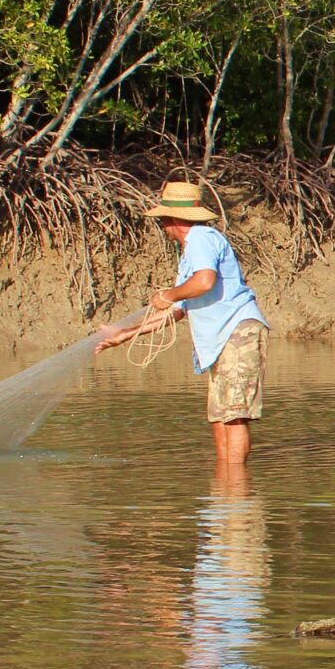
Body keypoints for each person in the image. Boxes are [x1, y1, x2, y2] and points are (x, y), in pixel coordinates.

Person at [97, 180, 270, 469]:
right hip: (220, 341)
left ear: (172, 219)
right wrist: (123, 335)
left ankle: (236, 490)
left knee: (233, 414)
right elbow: (176, 311)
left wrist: (168, 294)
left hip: (236, 331)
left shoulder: (201, 237)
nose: (162, 226)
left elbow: (204, 282)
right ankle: (225, 484)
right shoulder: (190, 252)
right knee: (219, 415)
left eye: (163, 220)